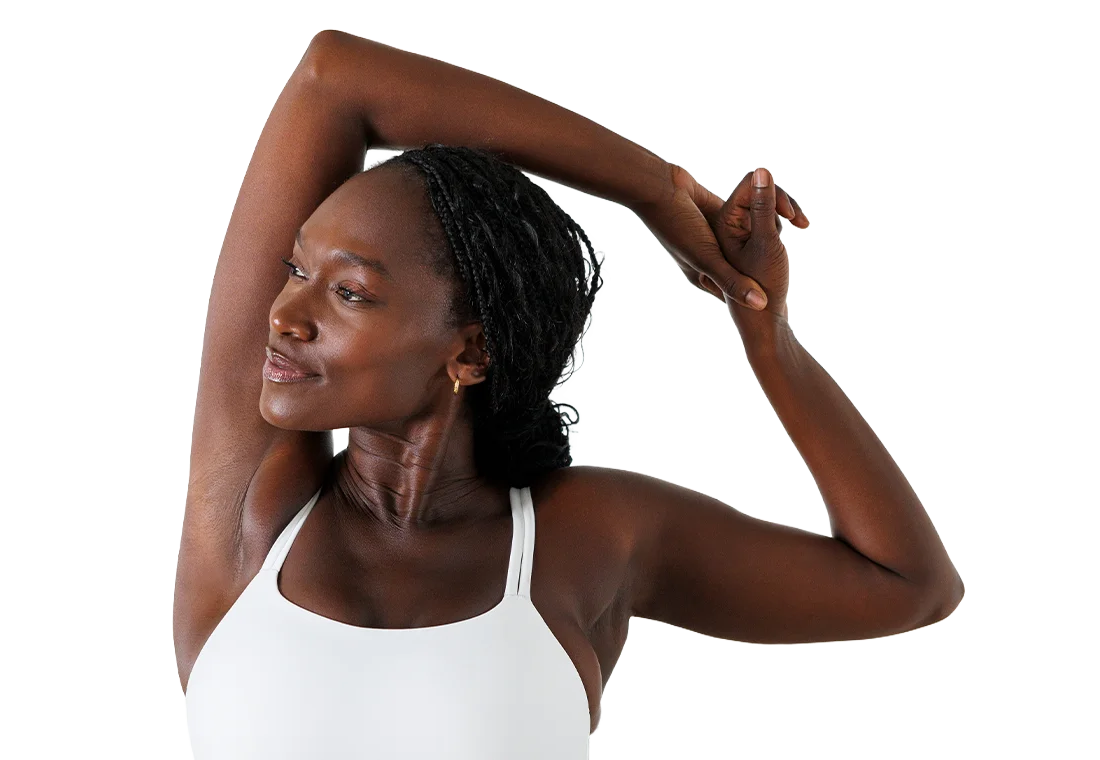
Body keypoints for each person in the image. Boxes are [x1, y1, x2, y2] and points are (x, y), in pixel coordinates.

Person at [174, 28, 965, 759]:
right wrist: (652, 189)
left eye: (349, 293)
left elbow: (908, 585)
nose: (283, 316)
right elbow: (331, 76)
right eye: (295, 271)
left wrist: (767, 337)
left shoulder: (583, 539)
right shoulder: (254, 508)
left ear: (471, 351)